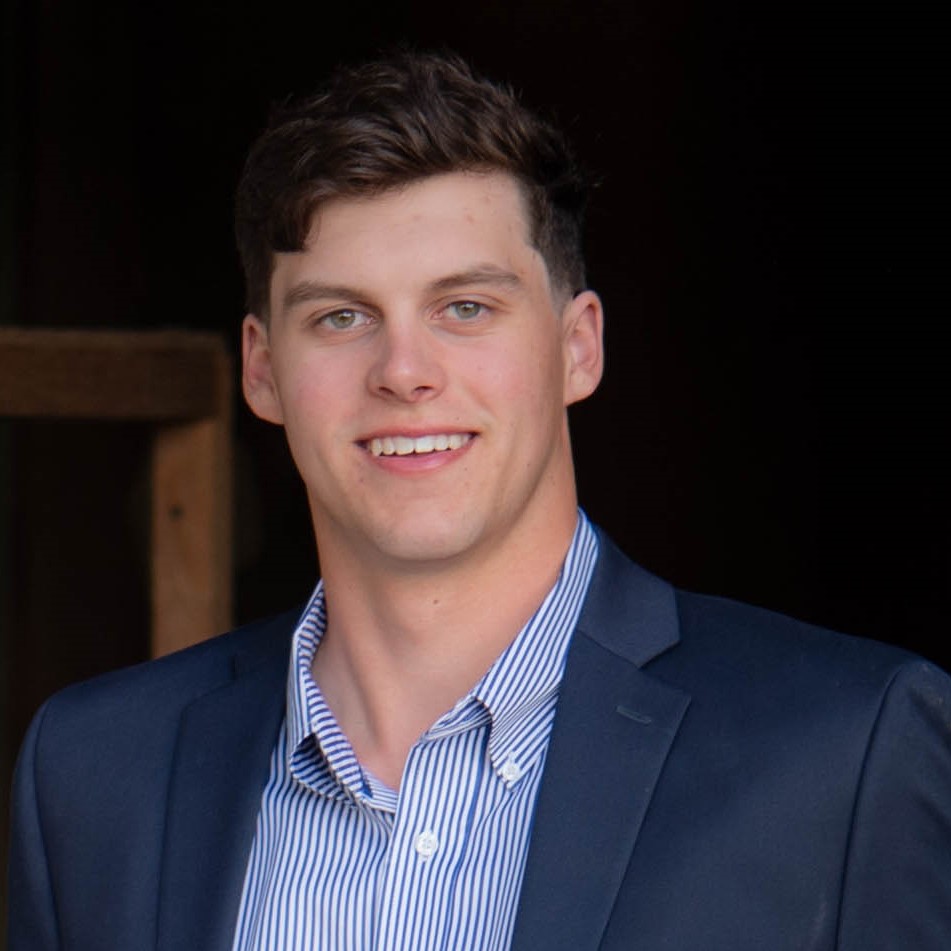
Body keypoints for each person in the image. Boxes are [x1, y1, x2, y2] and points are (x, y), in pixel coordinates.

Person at [7, 51, 951, 951]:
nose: (403, 371)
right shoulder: (94, 774)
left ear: (577, 347)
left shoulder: (845, 750)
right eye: (340, 316)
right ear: (262, 369)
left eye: (465, 307)